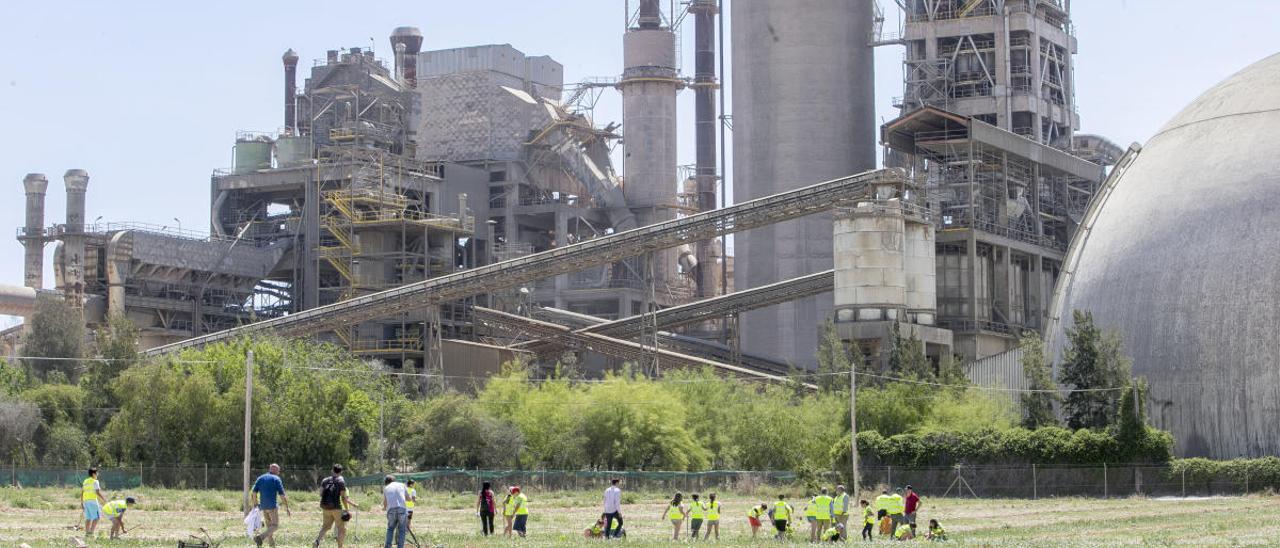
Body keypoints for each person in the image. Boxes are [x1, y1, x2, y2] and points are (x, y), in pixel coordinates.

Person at [314, 464, 357, 548]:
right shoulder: (341, 481)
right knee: (342, 528)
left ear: (332, 470)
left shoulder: (325, 480)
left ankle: (317, 541)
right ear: (341, 472)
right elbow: (343, 498)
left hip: (325, 507)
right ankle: (340, 547)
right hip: (337, 508)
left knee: (325, 527)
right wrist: (347, 510)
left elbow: (320, 493)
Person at [252, 463, 291, 548]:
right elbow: (282, 495)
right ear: (276, 471)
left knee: (269, 527)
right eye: (278, 471)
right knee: (275, 526)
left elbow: (254, 493)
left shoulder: (260, 478)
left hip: (263, 507)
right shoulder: (276, 479)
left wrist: (255, 504)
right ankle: (260, 537)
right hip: (272, 507)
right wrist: (287, 507)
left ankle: (272, 545)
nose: (279, 472)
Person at [382, 474, 409, 548]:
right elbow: (408, 498)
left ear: (386, 482)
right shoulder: (402, 485)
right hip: (402, 509)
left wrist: (384, 508)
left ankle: (388, 546)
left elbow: (385, 502)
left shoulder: (386, 488)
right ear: (394, 480)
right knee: (402, 530)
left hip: (391, 510)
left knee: (390, 528)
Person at [80, 467, 106, 541]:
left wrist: (81, 502)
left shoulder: (85, 481)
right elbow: (97, 492)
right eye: (97, 473)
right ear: (94, 474)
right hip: (92, 501)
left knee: (88, 518)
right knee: (97, 517)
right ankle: (91, 533)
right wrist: (104, 499)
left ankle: (87, 533)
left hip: (85, 501)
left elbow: (82, 492)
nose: (97, 474)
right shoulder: (95, 481)